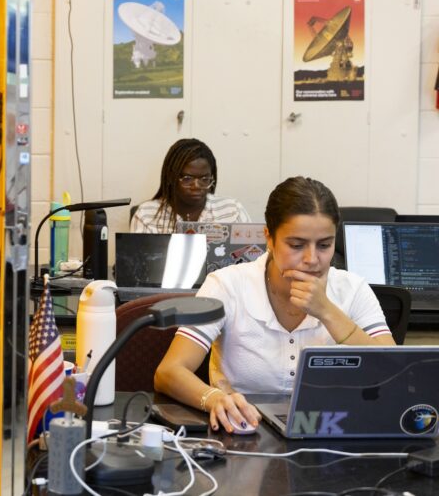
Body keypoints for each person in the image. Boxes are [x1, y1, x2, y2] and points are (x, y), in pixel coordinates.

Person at [154, 176, 395, 433]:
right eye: (296, 245)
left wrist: (327, 311)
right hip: (242, 431)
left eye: (324, 245)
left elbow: (394, 374)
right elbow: (169, 371)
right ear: (269, 237)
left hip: (332, 431)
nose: (312, 259)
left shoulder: (353, 288)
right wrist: (214, 399)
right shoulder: (227, 285)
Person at [130, 138, 251, 233]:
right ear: (171, 177)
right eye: (187, 178)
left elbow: (253, 258)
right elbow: (137, 262)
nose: (196, 186)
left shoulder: (232, 210)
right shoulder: (146, 214)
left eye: (205, 179)